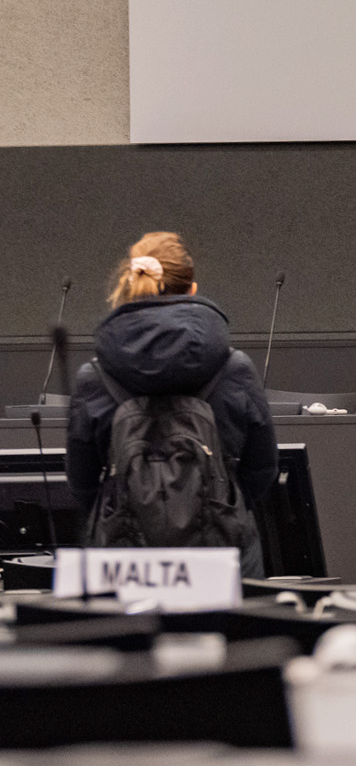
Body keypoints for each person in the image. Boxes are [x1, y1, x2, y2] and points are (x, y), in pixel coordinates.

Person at [66, 232, 278, 576]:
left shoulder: (94, 377)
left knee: (128, 633)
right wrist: (221, 508)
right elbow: (263, 468)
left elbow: (82, 481)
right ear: (192, 290)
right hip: (222, 560)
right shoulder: (235, 368)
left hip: (124, 565)